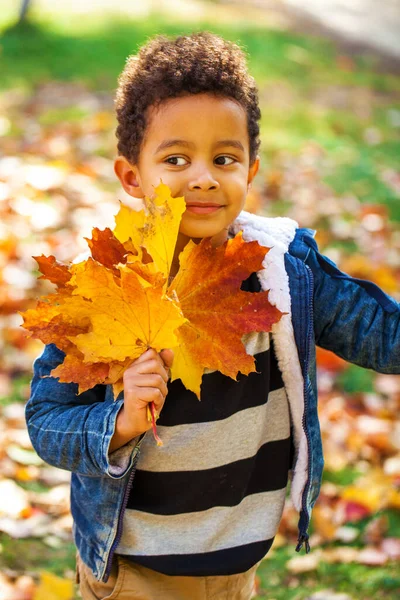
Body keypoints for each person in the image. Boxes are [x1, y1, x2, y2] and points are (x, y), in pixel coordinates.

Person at [25, 32, 400, 600]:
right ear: (132, 176)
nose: (203, 177)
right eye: (176, 159)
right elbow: (46, 424)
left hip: (238, 569)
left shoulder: (280, 272)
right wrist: (120, 422)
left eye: (224, 159)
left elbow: (383, 338)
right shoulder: (106, 288)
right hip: (135, 572)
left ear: (250, 171)